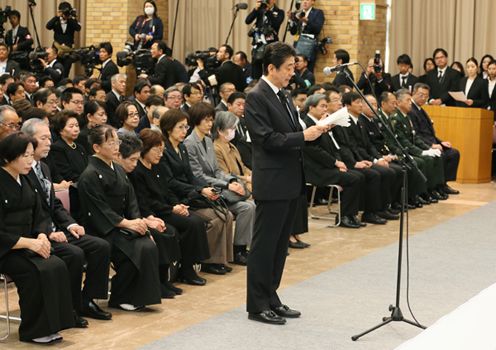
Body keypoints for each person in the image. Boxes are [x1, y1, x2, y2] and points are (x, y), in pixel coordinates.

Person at [244, 42, 328, 325]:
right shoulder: (256, 97)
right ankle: (256, 304)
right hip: (272, 180)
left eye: (294, 67)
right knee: (265, 245)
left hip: (291, 179)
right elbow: (267, 139)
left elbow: (291, 132)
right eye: (289, 67)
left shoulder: (283, 95)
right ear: (271, 68)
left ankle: (271, 296)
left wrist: (314, 130)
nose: (293, 72)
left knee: (280, 246)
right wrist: (304, 137)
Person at [22, 118, 112, 325]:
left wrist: (71, 224)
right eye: (43, 138)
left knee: (100, 246)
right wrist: (47, 231)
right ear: (28, 141)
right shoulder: (22, 170)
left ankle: (86, 299)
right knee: (74, 253)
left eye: (49, 137)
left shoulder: (43, 167)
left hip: (57, 229)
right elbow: (28, 212)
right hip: (38, 234)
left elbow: (54, 204)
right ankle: (69, 306)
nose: (49, 143)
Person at [77, 125, 162, 311]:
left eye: (117, 141)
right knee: (135, 248)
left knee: (147, 243)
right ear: (97, 148)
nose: (116, 146)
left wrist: (139, 223)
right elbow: (100, 210)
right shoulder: (89, 175)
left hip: (122, 225)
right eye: (110, 142)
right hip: (102, 228)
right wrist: (127, 223)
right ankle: (120, 296)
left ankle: (135, 295)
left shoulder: (118, 168)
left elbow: (131, 200)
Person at [0, 132, 74, 343]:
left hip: (29, 243)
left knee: (56, 264)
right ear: (8, 157)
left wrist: (42, 235)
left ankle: (53, 325)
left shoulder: (27, 180)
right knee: (33, 271)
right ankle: (34, 329)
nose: (30, 161)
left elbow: (40, 213)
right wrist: (29, 243)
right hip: (6, 249)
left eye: (31, 155)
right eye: (24, 155)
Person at [128, 129, 210, 295]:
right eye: (156, 149)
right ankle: (166, 277)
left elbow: (167, 191)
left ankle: (187, 268)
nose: (160, 153)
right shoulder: (138, 172)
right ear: (145, 149)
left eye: (162, 149)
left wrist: (177, 204)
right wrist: (171, 209)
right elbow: (145, 202)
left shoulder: (158, 168)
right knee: (175, 229)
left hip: (165, 208)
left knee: (196, 220)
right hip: (153, 212)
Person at [160, 109, 233, 281]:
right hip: (177, 198)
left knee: (226, 214)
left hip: (191, 194)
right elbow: (170, 181)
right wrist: (199, 191)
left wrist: (205, 188)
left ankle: (222, 259)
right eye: (180, 127)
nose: (185, 130)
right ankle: (205, 262)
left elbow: (191, 176)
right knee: (214, 219)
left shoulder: (182, 147)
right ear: (169, 128)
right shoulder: (164, 150)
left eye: (186, 127)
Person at [186, 107, 255, 266]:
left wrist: (231, 181)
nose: (210, 124)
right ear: (197, 121)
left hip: (219, 186)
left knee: (249, 206)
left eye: (211, 120)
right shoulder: (191, 143)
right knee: (240, 209)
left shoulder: (208, 140)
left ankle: (240, 248)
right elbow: (198, 176)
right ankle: (230, 253)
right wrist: (227, 184)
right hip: (205, 190)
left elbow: (217, 170)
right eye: (206, 120)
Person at [302, 93, 364, 228]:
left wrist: (339, 163)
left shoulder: (323, 122)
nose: (325, 109)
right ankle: (343, 217)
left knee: (357, 175)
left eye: (326, 106)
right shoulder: (307, 123)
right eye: (322, 106)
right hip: (315, 169)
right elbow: (314, 151)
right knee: (353, 179)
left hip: (327, 166)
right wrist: (335, 163)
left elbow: (333, 147)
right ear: (311, 107)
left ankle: (350, 214)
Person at [391, 89, 447, 202]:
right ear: (399, 103)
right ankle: (420, 192)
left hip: (411, 148)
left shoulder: (406, 117)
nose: (410, 103)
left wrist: (428, 148)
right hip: (405, 150)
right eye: (407, 100)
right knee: (424, 160)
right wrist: (421, 152)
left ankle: (434, 188)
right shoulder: (396, 118)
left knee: (436, 156)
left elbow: (414, 137)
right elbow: (403, 141)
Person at [409, 83, 460, 195]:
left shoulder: (421, 110)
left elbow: (429, 133)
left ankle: (443, 183)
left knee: (454, 153)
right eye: (421, 95)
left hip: (432, 141)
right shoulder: (411, 110)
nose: (423, 98)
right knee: (439, 155)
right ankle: (436, 185)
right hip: (422, 144)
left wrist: (441, 142)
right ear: (413, 93)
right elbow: (416, 134)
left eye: (426, 96)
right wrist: (431, 146)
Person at [245, 0, 285, 80]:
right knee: (256, 70)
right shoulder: (260, 10)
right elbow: (247, 21)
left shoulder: (279, 12)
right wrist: (255, 9)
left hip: (271, 46)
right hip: (258, 44)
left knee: (269, 70)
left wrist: (268, 11)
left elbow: (276, 24)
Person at [46, 110, 88, 183]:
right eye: (71, 126)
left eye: (77, 125)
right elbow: (67, 174)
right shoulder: (57, 148)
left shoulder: (80, 147)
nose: (76, 129)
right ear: (61, 130)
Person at [46, 1, 81, 77]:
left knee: (66, 70)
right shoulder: (56, 20)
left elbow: (78, 28)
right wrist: (57, 16)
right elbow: (48, 26)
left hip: (68, 50)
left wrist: (69, 18)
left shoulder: (71, 20)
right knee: (56, 68)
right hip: (56, 49)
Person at [288, 0, 325, 72]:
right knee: (295, 70)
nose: (304, 2)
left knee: (308, 71)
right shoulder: (298, 13)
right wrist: (291, 19)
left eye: (307, 0)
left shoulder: (318, 13)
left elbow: (317, 29)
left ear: (313, 2)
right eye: (303, 0)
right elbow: (293, 32)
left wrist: (307, 21)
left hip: (309, 46)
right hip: (297, 45)